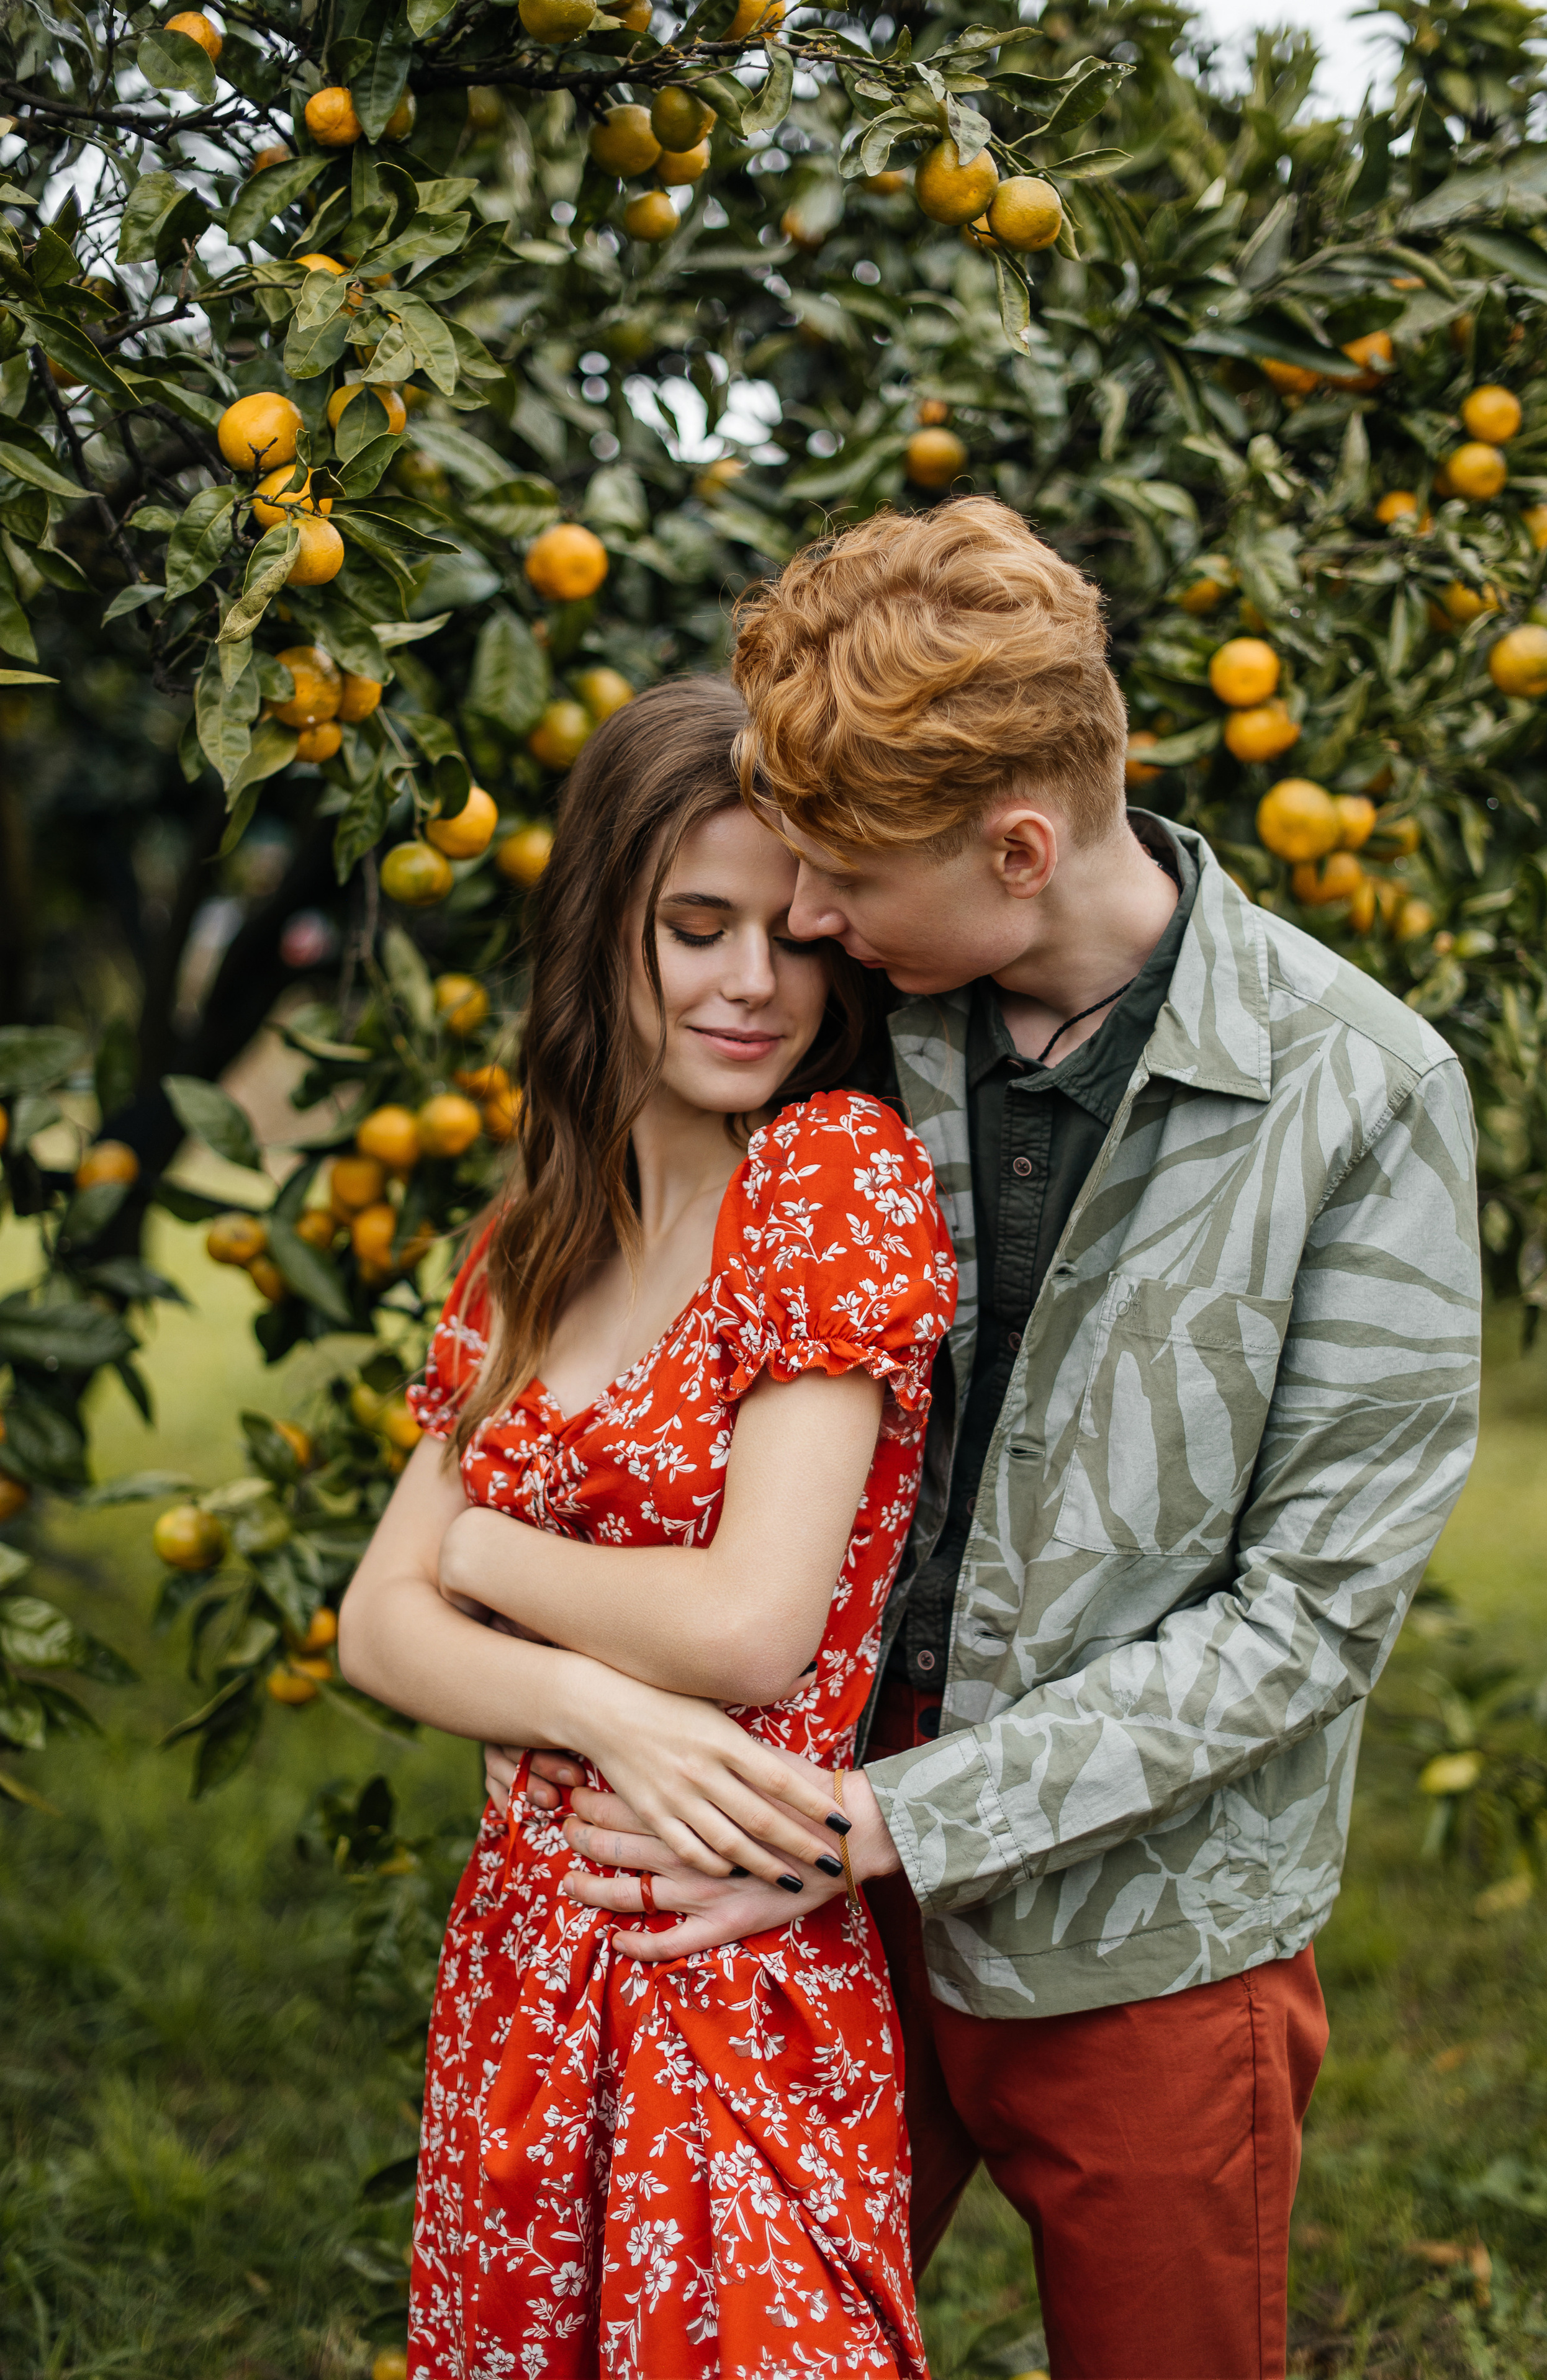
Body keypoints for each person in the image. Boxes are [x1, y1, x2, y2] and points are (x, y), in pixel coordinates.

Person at [524, 498, 1484, 2379]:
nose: (799, 922)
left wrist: (876, 1827)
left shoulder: (1368, 1100)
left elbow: (1306, 1619)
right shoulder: (851, 1028)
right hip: (793, 1907)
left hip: (1151, 1949)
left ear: (1018, 846)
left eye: (839, 881)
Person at [337, 673, 957, 2380]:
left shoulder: (828, 1179)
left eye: (793, 933)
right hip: (526, 1950)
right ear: (610, 921)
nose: (754, 980)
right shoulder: (537, 1238)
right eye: (698, 925)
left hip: (722, 1940)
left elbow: (752, 1623)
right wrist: (592, 1700)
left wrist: (477, 1562)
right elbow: (367, 1631)